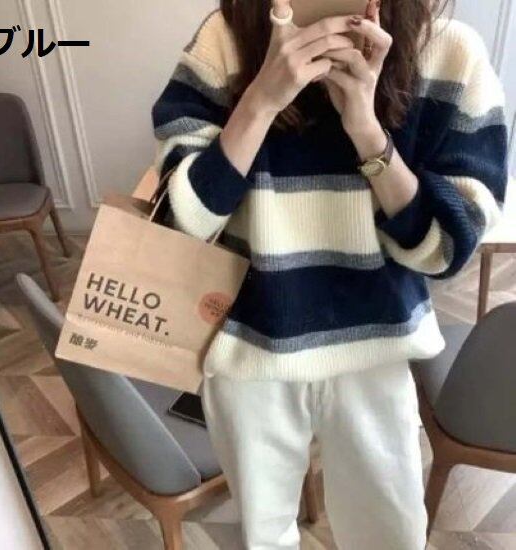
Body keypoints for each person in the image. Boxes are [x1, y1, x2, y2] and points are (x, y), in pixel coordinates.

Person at [151, 0, 508, 547]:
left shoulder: (447, 53)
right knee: (263, 537)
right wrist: (261, 100)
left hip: (376, 349)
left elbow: (446, 250)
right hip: (251, 346)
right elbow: (180, 223)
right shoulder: (226, 38)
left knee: (389, 536)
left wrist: (366, 128)